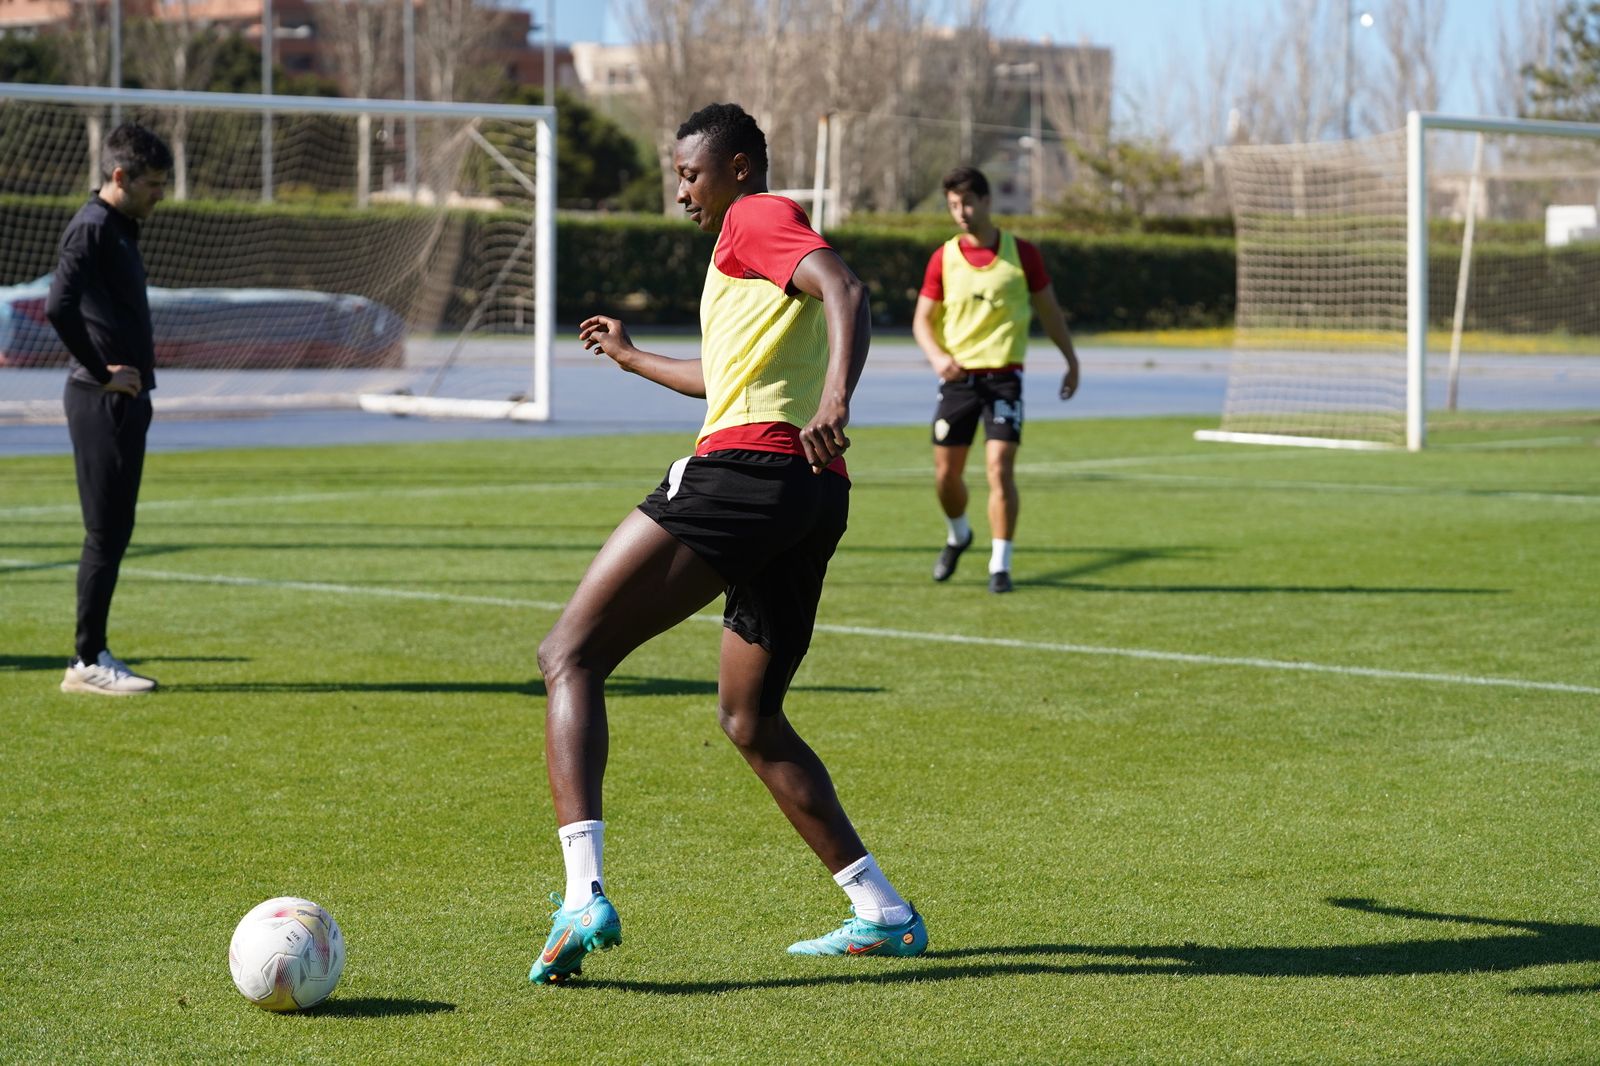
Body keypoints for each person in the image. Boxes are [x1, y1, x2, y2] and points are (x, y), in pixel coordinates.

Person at [529, 102, 927, 984]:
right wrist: (633, 358)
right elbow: (724, 377)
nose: (681, 190)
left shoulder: (757, 215)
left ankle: (580, 895)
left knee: (569, 655)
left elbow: (848, 289)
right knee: (749, 716)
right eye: (677, 175)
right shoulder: (743, 254)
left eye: (691, 173)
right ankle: (882, 911)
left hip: (746, 476)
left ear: (740, 167)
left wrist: (835, 401)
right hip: (811, 499)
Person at [911, 165, 1081, 594]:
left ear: (986, 201)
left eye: (967, 202)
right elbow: (922, 322)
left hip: (1004, 381)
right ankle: (959, 534)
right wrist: (937, 357)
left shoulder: (1021, 254)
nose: (962, 212)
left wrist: (1071, 360)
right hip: (957, 381)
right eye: (953, 205)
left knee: (999, 469)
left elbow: (1050, 311)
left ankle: (1000, 565)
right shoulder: (943, 258)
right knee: (946, 477)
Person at [49, 122, 172, 695]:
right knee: (105, 531)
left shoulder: (122, 226)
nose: (160, 194)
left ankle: (92, 652)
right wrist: (103, 374)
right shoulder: (92, 227)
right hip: (100, 399)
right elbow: (59, 308)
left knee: (116, 529)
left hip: (128, 399)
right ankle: (85, 661)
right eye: (152, 183)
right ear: (118, 176)